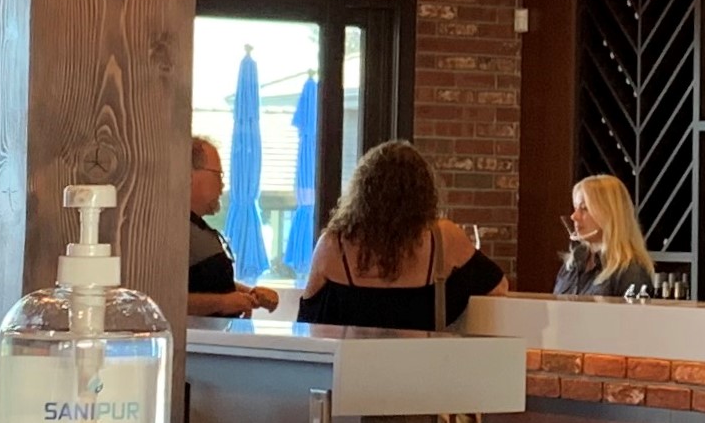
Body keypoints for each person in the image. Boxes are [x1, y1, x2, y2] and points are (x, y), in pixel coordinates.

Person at [296, 141, 503, 330]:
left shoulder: (334, 245)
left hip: (353, 359)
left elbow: (308, 316)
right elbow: (498, 286)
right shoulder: (443, 238)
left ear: (361, 190)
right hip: (422, 358)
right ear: (425, 192)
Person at [185, 138, 279, 320]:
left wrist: (249, 294)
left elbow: (207, 284)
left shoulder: (197, 227)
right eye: (218, 175)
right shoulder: (172, 232)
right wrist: (222, 303)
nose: (222, 186)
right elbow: (165, 299)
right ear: (189, 175)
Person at [554, 173, 654, 299]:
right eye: (575, 208)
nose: (574, 216)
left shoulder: (631, 272)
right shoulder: (573, 263)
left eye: (585, 208)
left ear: (609, 215)